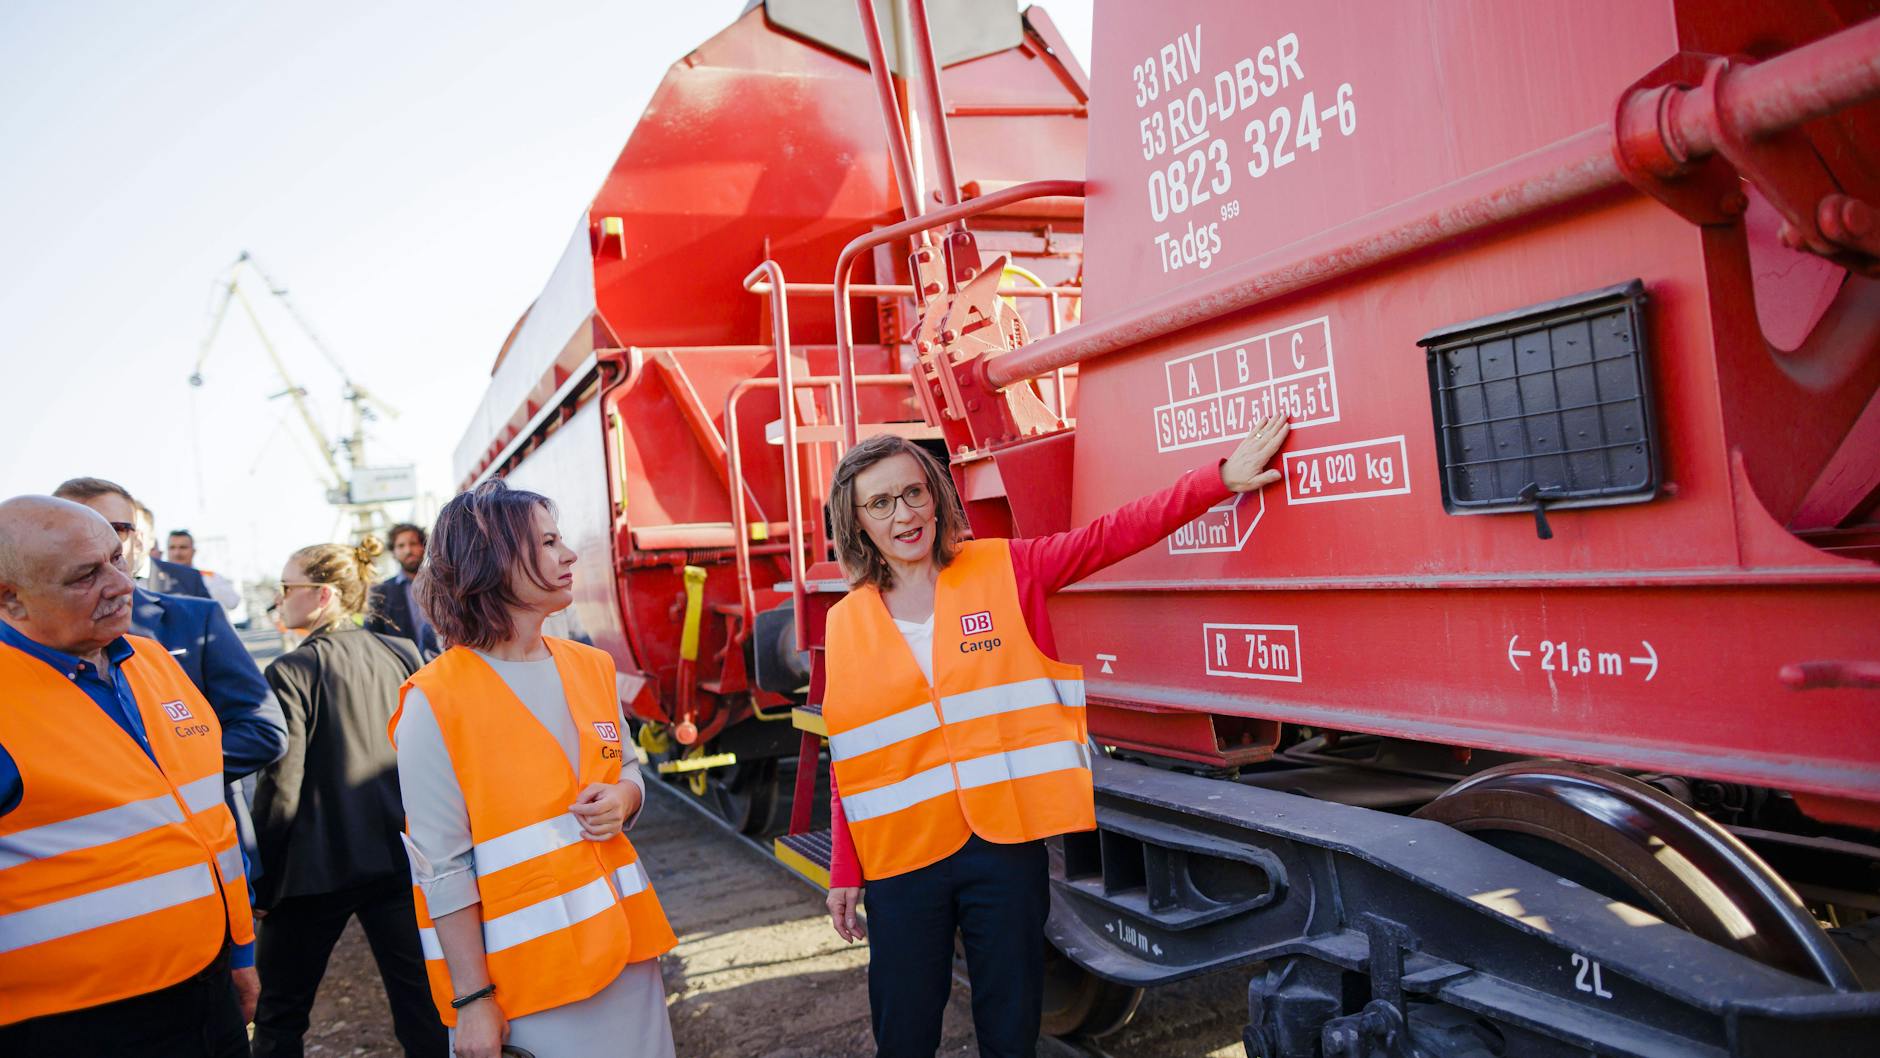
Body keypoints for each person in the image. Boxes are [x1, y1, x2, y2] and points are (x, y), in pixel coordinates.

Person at [819, 416, 1292, 1058]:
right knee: (903, 1033)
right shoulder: (845, 624)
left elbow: (1109, 537)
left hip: (1004, 847)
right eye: (879, 503)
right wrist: (846, 870)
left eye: (914, 493)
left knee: (1011, 1031)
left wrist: (1215, 482)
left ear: (936, 495)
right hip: (903, 863)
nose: (903, 514)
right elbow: (853, 759)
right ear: (859, 525)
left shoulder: (1006, 569)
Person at [393, 481, 677, 1058]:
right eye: (548, 543)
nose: (570, 554)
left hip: (628, 957)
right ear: (491, 562)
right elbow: (442, 870)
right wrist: (472, 1003)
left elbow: (626, 764)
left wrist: (625, 799)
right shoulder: (434, 701)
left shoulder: (591, 666)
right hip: (528, 989)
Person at [0, 495, 254, 1057]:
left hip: (206, 983)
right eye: (86, 576)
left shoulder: (152, 661)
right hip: (73, 1022)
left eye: (117, 559)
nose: (121, 585)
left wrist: (240, 950)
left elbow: (209, 825)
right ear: (10, 599)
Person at [53, 475, 287, 1020]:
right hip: (87, 910)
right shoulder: (23, 650)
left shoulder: (191, 619)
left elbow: (263, 729)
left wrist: (160, 776)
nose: (101, 550)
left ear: (140, 538)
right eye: (81, 531)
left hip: (204, 881)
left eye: (116, 530)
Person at [248, 536, 447, 1058]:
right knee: (425, 1007)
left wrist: (262, 884)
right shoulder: (402, 652)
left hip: (314, 875)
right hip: (400, 861)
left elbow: (280, 789)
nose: (278, 598)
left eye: (287, 587)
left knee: (280, 1016)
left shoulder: (292, 671)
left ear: (322, 596)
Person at [367, 521, 440, 658]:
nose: (408, 550)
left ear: (424, 546)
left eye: (413, 543)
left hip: (443, 662)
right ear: (393, 552)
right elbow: (372, 637)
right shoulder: (381, 592)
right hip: (403, 667)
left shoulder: (442, 583)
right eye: (401, 546)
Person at [167, 528, 243, 612]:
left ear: (193, 551)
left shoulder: (210, 578)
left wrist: (203, 587)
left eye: (183, 547)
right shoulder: (156, 580)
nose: (177, 553)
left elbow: (232, 602)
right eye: (172, 548)